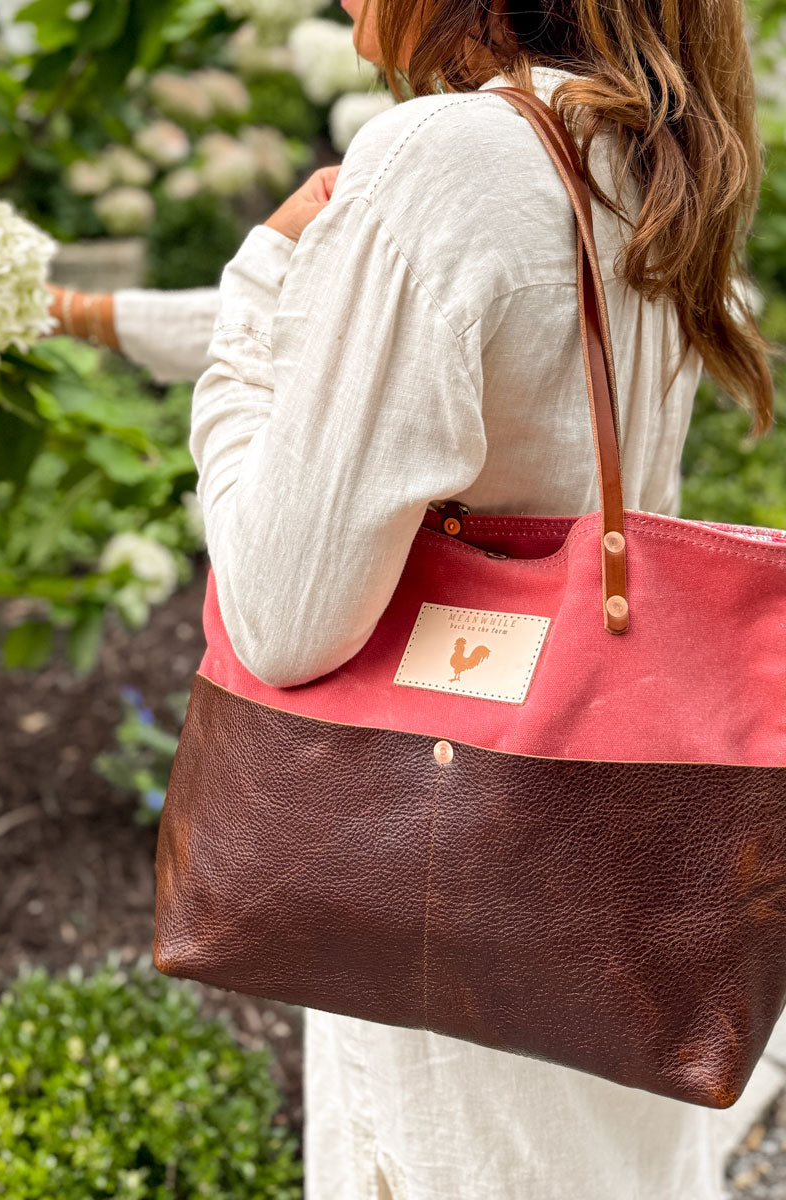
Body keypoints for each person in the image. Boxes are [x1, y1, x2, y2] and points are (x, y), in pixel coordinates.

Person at [46, 0, 786, 1195]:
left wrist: (252, 306)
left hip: (441, 929)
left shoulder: (445, 157)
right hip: (595, 916)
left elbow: (285, 619)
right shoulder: (649, 153)